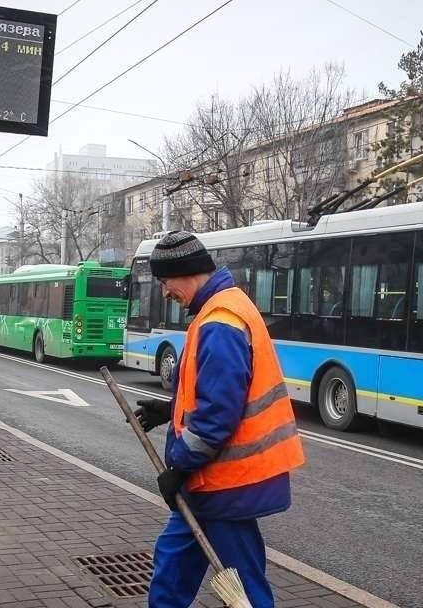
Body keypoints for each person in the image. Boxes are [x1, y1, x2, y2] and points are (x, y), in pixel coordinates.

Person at [132, 231, 305, 608]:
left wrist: (178, 466)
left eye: (164, 281)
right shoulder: (220, 311)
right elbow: (213, 394)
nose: (164, 292)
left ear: (185, 272)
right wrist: (170, 409)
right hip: (211, 481)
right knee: (172, 565)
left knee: (243, 586)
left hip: (226, 482)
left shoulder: (220, 321)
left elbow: (216, 415)